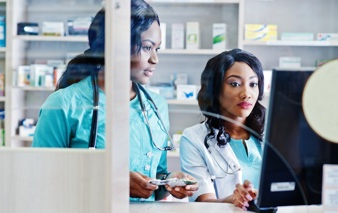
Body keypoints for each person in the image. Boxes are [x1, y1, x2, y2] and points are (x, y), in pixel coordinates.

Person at [32, 0, 197, 202]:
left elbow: (157, 176)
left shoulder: (156, 106)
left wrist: (170, 182)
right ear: (115, 46)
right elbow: (41, 181)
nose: (155, 59)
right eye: (147, 48)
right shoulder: (62, 105)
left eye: (157, 49)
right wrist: (111, 182)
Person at [179, 48, 266, 210]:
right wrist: (232, 200)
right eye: (235, 84)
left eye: (253, 84)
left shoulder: (271, 135)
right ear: (215, 89)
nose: (247, 93)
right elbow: (203, 202)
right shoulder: (193, 138)